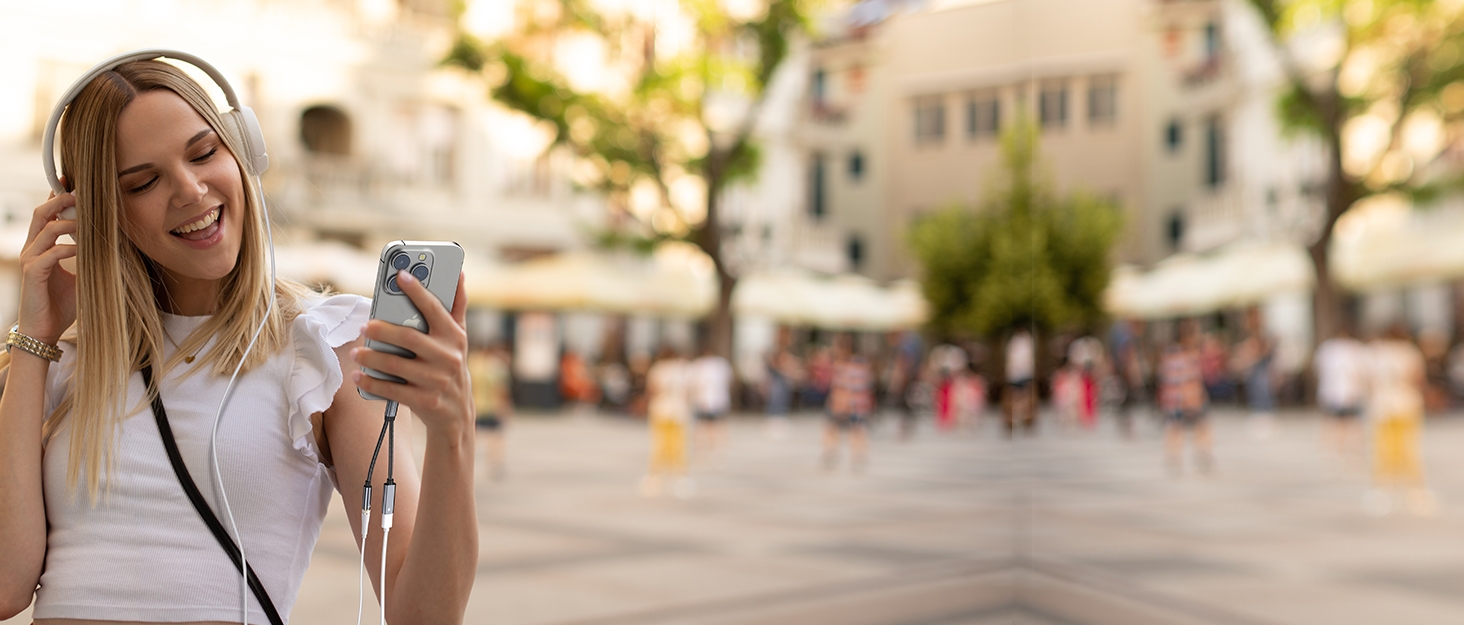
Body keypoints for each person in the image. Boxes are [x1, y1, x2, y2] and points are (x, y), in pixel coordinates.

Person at [0, 56, 476, 623]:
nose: (191, 189)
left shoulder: (322, 345)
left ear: (243, 150)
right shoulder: (56, 363)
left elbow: (421, 614)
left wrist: (453, 433)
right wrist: (34, 338)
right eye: (143, 181)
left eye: (204, 153)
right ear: (98, 214)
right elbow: (7, 587)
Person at [1363, 325, 1435, 516]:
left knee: (1384, 450)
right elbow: (1418, 378)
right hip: (1406, 404)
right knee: (1409, 449)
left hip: (1383, 406)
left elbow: (1369, 381)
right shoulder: (1409, 352)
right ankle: (1414, 490)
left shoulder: (1376, 352)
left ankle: (1383, 490)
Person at [1159, 322, 1213, 474]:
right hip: (1188, 398)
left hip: (1173, 400)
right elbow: (1187, 380)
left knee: (1176, 428)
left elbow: (1165, 378)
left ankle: (1174, 457)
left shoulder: (1169, 353)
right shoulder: (1187, 354)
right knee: (1199, 427)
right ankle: (1202, 454)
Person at [642, 347, 694, 497]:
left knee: (659, 445)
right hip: (678, 411)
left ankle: (655, 477)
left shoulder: (658, 369)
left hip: (660, 410)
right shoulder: (683, 369)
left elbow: (652, 390)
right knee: (678, 447)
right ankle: (679, 478)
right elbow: (688, 392)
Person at [1313, 328, 1368, 468]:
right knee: (1350, 422)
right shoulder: (1355, 349)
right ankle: (1352, 451)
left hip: (1336, 391)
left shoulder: (1327, 349)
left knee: (1334, 422)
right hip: (1347, 391)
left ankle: (1333, 451)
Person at [823, 340, 874, 471]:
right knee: (856, 429)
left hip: (844, 403)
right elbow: (866, 385)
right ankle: (858, 455)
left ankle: (833, 452)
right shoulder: (862, 364)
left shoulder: (844, 365)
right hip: (858, 404)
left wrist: (840, 401)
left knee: (836, 428)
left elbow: (843, 387)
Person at [469, 342, 513, 481]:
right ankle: (495, 463)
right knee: (496, 436)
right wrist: (505, 407)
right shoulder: (497, 367)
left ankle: (466, 461)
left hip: (475, 406)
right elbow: (501, 389)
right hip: (492, 406)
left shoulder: (473, 364)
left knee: (473, 436)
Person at [689, 346, 733, 457]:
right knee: (714, 424)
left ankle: (704, 448)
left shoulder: (700, 364)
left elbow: (693, 383)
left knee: (706, 424)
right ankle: (715, 447)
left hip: (707, 398)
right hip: (711, 398)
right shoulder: (720, 364)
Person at [1004, 327, 1037, 436]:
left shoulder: (1026, 342)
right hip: (1016, 375)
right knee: (1016, 398)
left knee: (1025, 398)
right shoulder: (1016, 343)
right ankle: (1015, 420)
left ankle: (1026, 420)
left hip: (1023, 374)